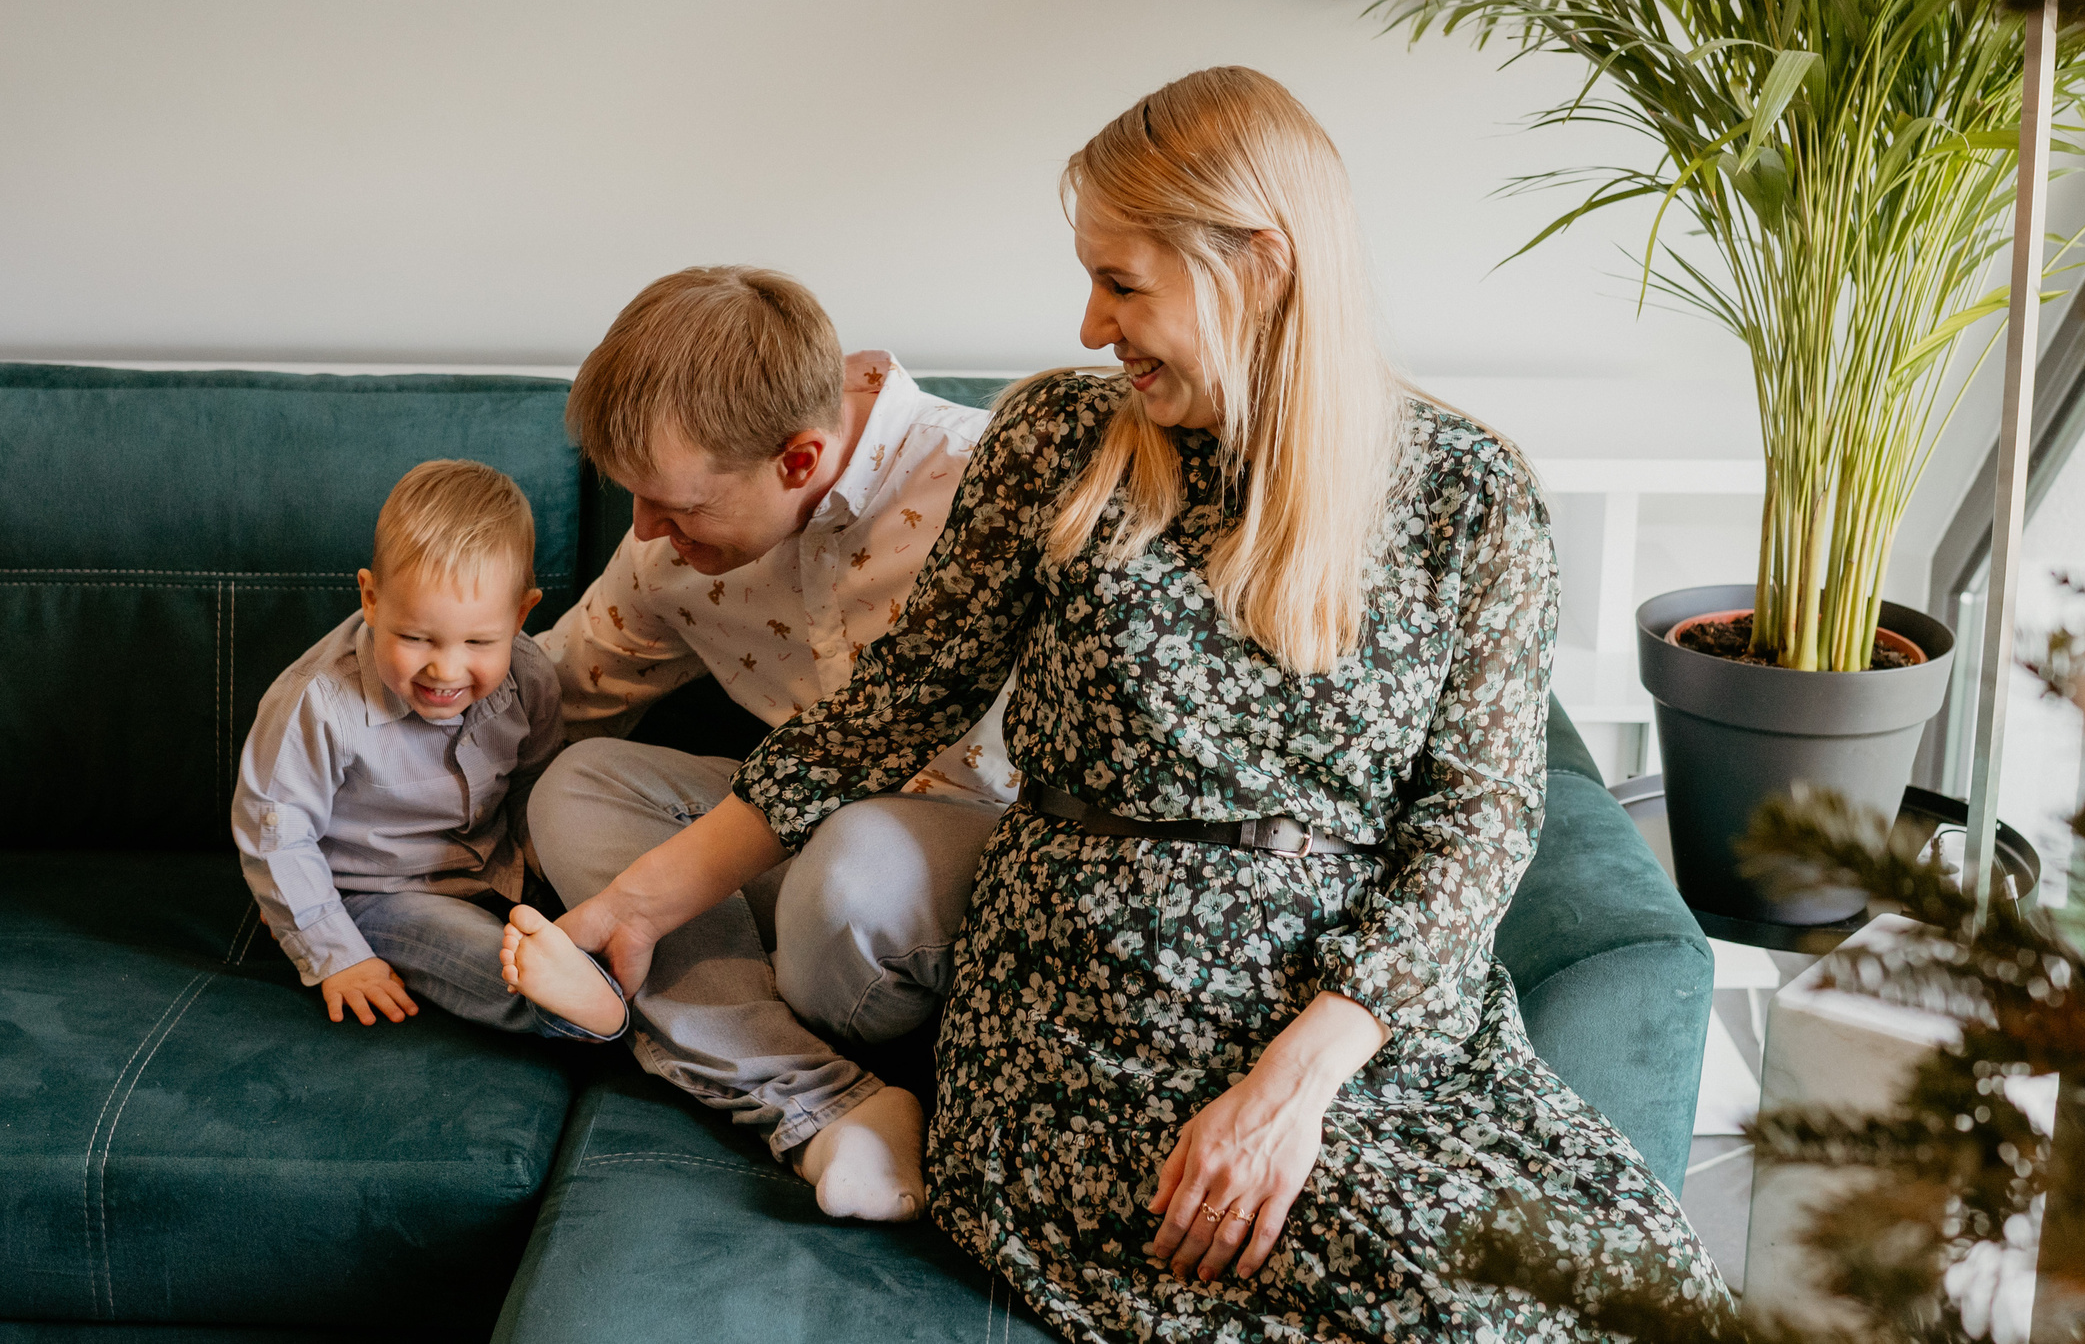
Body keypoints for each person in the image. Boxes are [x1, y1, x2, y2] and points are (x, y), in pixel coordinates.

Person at [503, 68, 1727, 1338]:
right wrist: (635, 905)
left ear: (1260, 263)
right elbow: (883, 714)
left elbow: (1476, 828)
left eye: (1122, 283)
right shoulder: (1053, 443)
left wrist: (1291, 1090)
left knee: (1645, 1293)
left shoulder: (1472, 496)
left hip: (1352, 1023)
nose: (1091, 326)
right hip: (1086, 1007)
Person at [520, 265, 1017, 1223]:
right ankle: (834, 1106)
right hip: (785, 845)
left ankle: (750, 1027)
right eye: (632, 498)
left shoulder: (995, 484)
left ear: (798, 458)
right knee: (577, 784)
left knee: (855, 863)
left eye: (678, 507)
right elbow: (557, 688)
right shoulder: (670, 549)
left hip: (962, 871)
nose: (646, 532)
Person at [231, 458, 622, 1040]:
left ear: (520, 616)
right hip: (376, 893)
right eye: (415, 638)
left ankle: (625, 981)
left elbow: (533, 787)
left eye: (478, 641)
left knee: (618, 894)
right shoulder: (317, 702)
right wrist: (334, 950)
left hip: (500, 869)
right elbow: (275, 830)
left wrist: (555, 872)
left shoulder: (529, 676)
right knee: (484, 957)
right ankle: (578, 1012)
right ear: (370, 598)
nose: (445, 668)